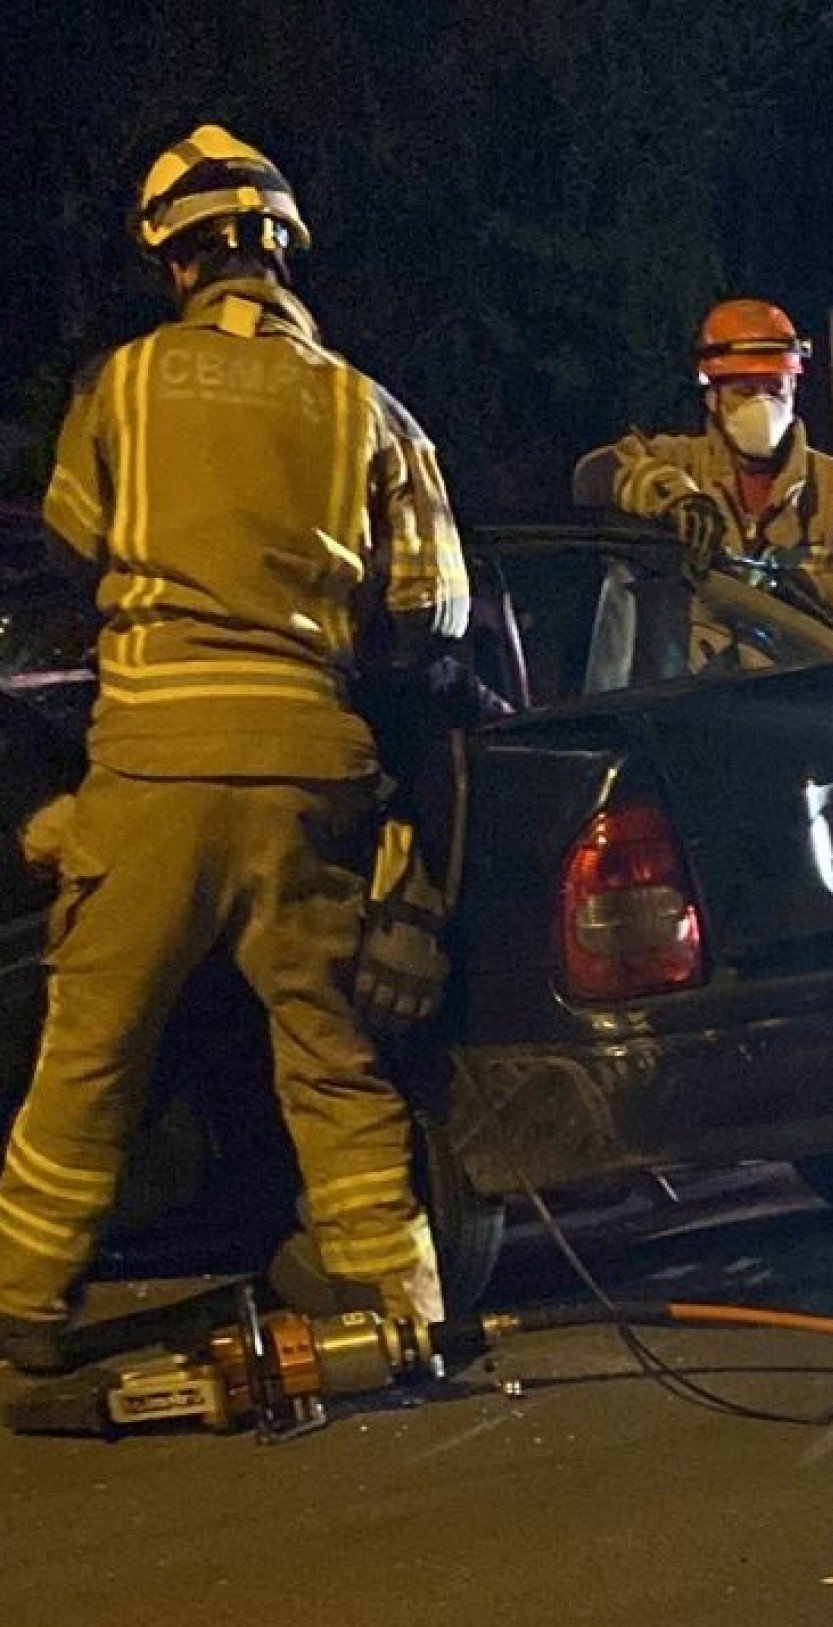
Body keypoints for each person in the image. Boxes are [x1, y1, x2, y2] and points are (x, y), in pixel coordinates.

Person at [0, 124, 468, 1370]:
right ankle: (401, 1299)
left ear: (172, 262)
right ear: (282, 253)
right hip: (307, 772)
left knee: (92, 1049)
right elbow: (432, 617)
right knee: (330, 1051)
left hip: (151, 766)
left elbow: (71, 545)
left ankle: (30, 1307)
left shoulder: (122, 384)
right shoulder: (365, 405)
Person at [573, 299, 833, 653]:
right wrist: (672, 498)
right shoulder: (678, 462)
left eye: (774, 388)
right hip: (688, 701)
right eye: (744, 391)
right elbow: (595, 474)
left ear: (794, 389)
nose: (762, 405)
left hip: (799, 701)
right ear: (712, 396)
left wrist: (800, 590)